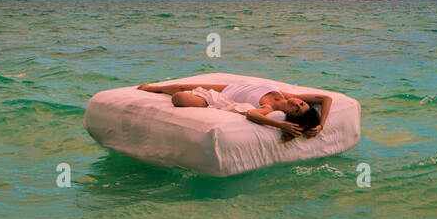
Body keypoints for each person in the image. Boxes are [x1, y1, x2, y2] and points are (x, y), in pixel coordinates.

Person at [136, 79, 329, 141]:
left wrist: (280, 125)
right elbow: (326, 98)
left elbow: (252, 115)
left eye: (296, 110)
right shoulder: (284, 94)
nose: (297, 104)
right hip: (231, 86)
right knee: (183, 85)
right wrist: (321, 125)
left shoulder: (269, 108)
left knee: (179, 96)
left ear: (290, 116)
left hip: (223, 97)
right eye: (301, 104)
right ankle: (153, 88)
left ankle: (156, 90)